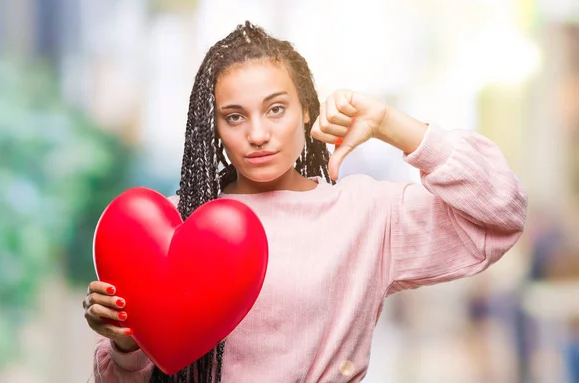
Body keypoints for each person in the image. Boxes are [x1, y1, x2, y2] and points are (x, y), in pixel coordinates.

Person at [83, 21, 528, 383]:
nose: (257, 134)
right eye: (235, 117)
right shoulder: (174, 226)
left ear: (307, 110)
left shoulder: (364, 214)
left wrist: (390, 124)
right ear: (214, 128)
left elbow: (499, 210)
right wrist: (125, 342)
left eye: (276, 109)